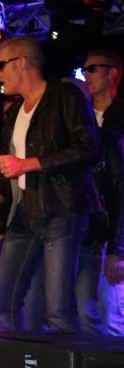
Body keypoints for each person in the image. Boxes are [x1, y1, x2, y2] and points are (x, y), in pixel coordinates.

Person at [0, 36, 100, 332]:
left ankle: (71, 356)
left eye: (1, 65)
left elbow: (88, 147)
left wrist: (31, 163)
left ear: (21, 63)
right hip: (23, 214)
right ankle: (16, 356)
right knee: (3, 303)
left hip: (61, 210)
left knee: (58, 311)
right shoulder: (15, 112)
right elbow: (7, 169)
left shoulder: (65, 96)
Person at [82, 50, 124, 335]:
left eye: (92, 69)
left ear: (112, 73)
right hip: (85, 233)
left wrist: (118, 250)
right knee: (86, 315)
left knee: (112, 318)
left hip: (112, 234)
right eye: (84, 69)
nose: (86, 75)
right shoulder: (79, 119)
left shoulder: (121, 120)